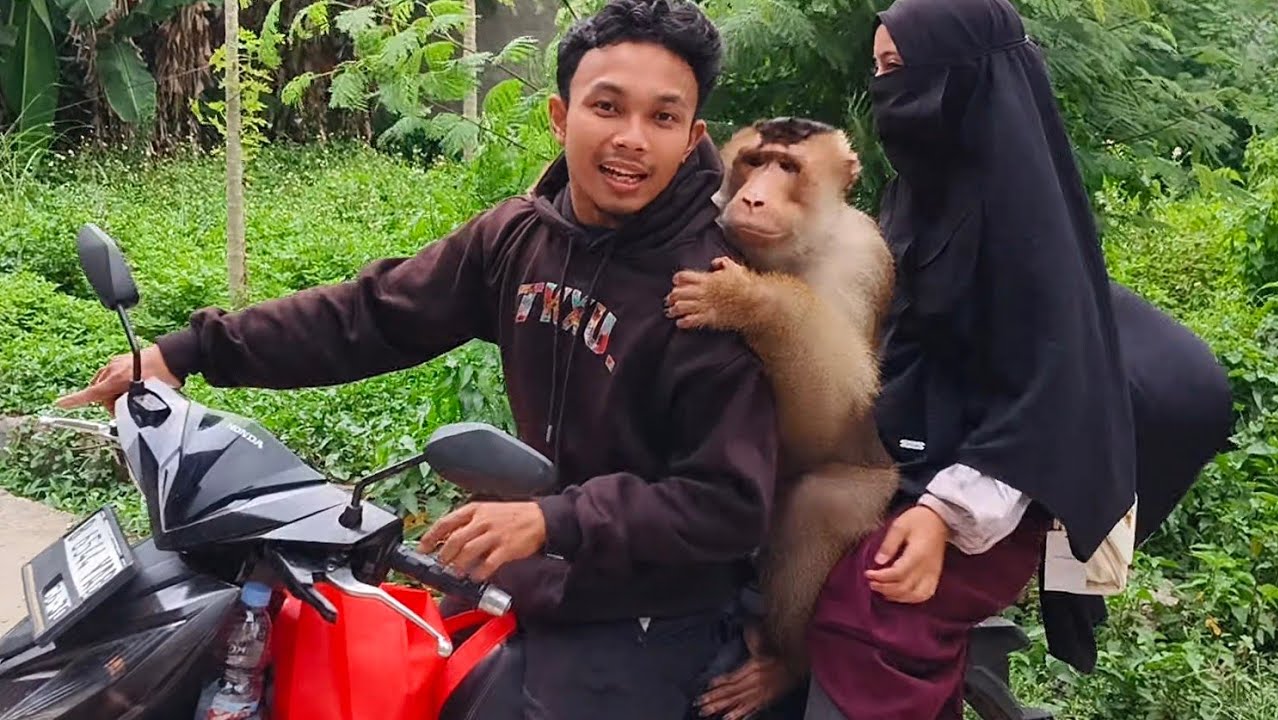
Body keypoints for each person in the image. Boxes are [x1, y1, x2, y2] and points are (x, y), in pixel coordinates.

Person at [57, 1, 780, 718]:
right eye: (607, 106)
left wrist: (555, 521)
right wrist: (184, 352)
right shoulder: (522, 235)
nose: (631, 139)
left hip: (647, 617)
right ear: (561, 118)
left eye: (662, 117)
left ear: (692, 139)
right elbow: (374, 315)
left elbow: (728, 505)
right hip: (532, 579)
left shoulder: (710, 293)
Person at [798, 0, 1144, 717]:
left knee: (865, 615)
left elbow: (1050, 390)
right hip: (896, 468)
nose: (886, 89)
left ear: (961, 78)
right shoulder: (914, 197)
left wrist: (941, 517)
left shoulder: (1021, 219)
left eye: (902, 69)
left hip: (995, 489)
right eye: (879, 68)